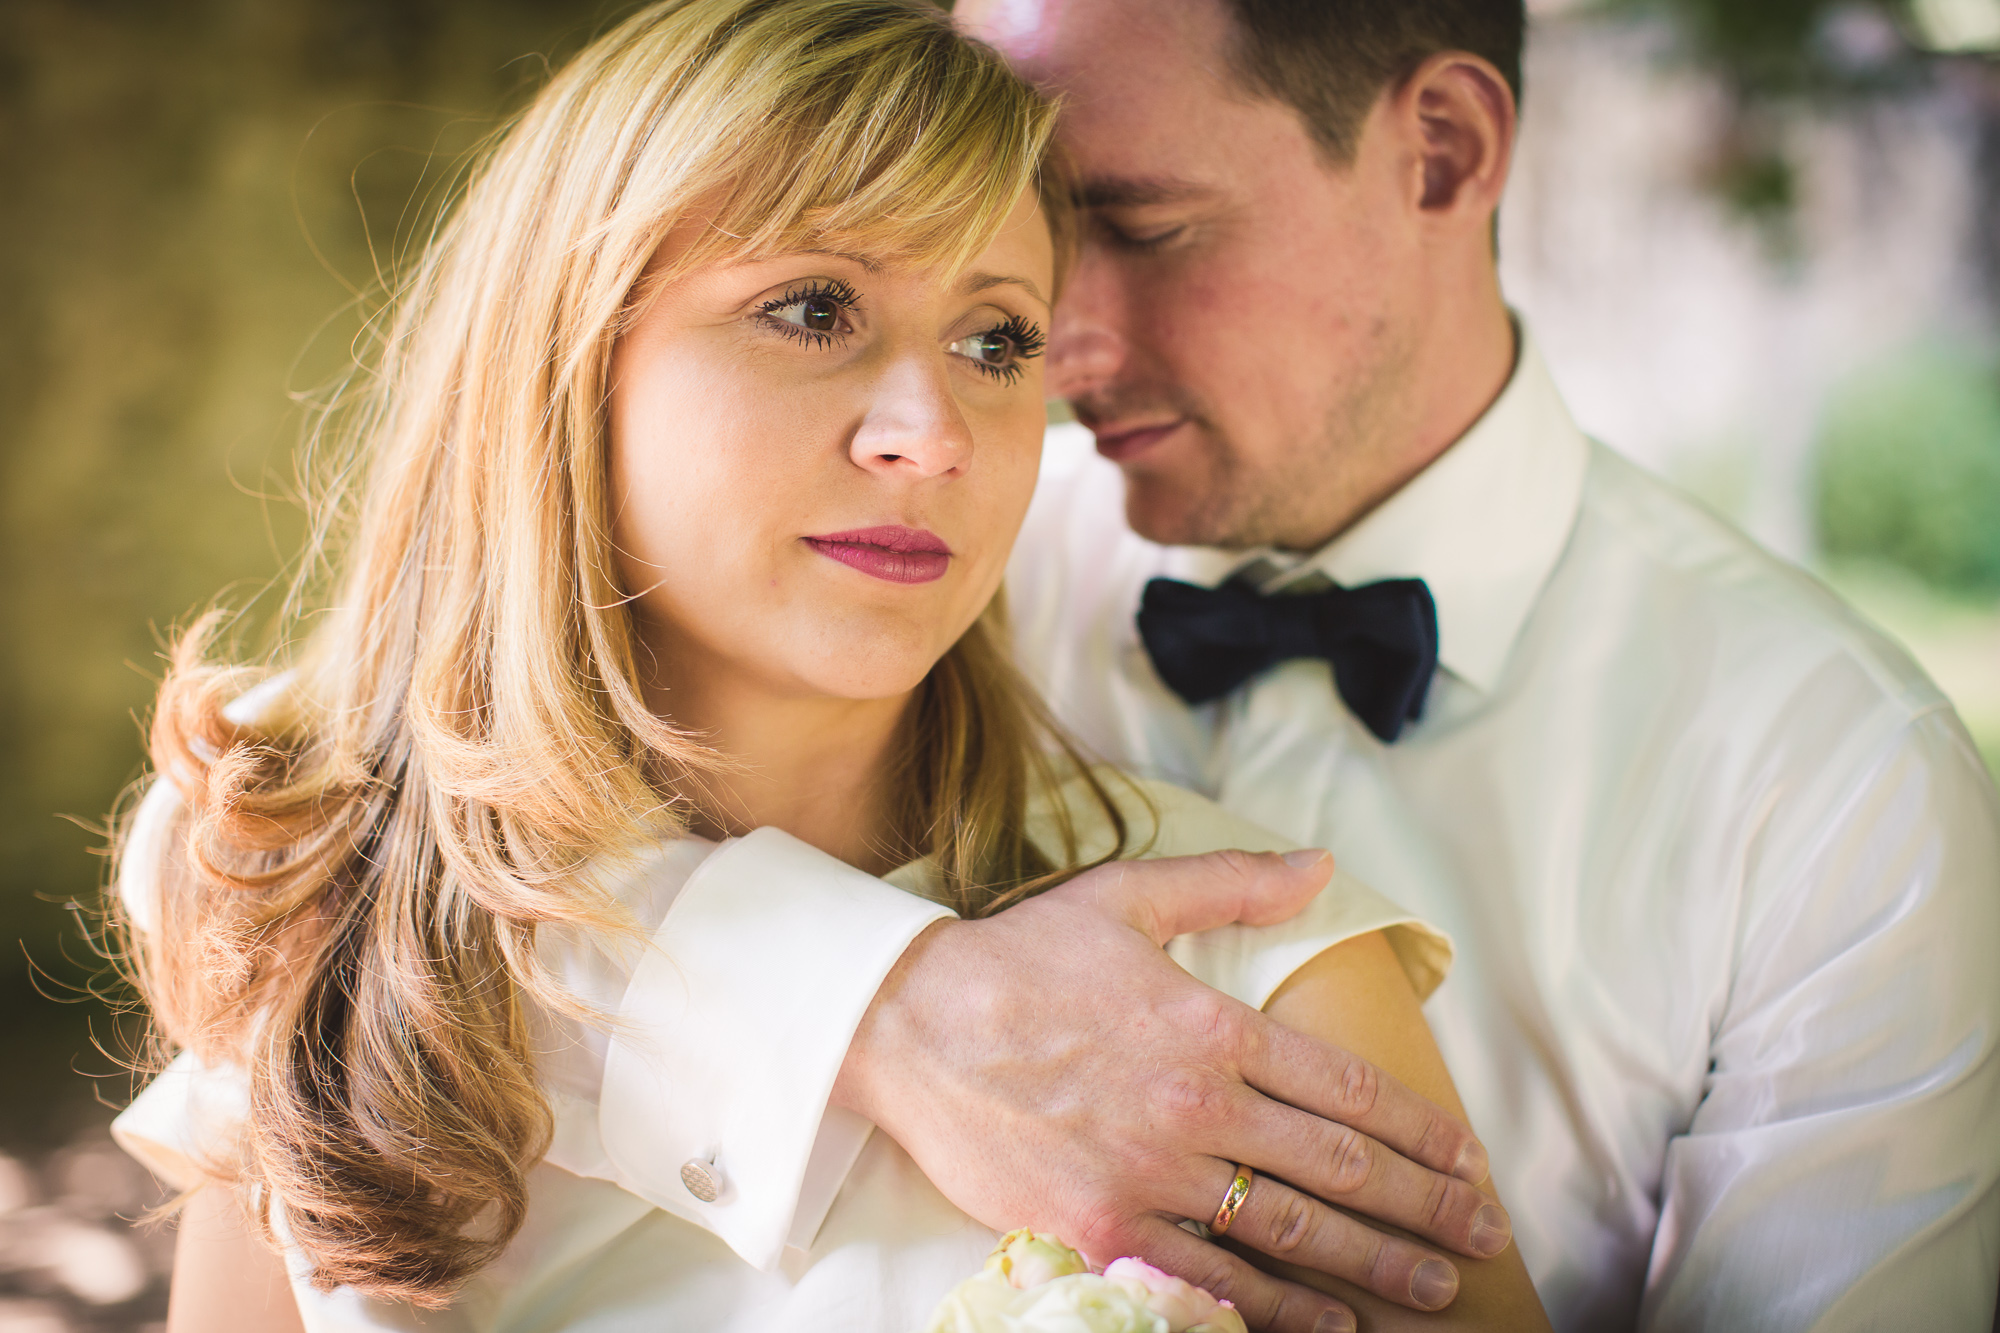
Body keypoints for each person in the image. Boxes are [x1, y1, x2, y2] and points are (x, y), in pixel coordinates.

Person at [106, 1, 1553, 1330]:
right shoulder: (317, 914)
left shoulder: (1250, 988)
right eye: (813, 308)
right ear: (564, 363)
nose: (933, 430)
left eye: (998, 337)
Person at [615, 1, 2000, 1330]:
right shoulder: (906, 542)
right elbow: (448, 851)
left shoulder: (1838, 792)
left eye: (1140, 226)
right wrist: (873, 1006)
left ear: (1443, 150)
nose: (1056, 346)